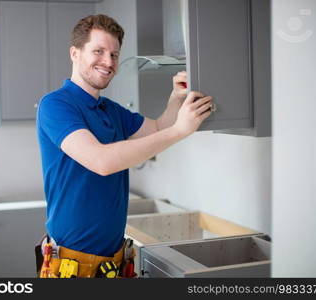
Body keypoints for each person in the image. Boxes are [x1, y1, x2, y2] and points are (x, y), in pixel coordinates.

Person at [36, 14, 213, 278]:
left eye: (114, 55)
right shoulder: (56, 105)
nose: (108, 62)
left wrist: (176, 98)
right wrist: (180, 131)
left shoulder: (110, 110)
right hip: (73, 263)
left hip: (114, 260)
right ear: (75, 53)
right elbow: (102, 162)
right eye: (98, 51)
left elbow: (156, 129)